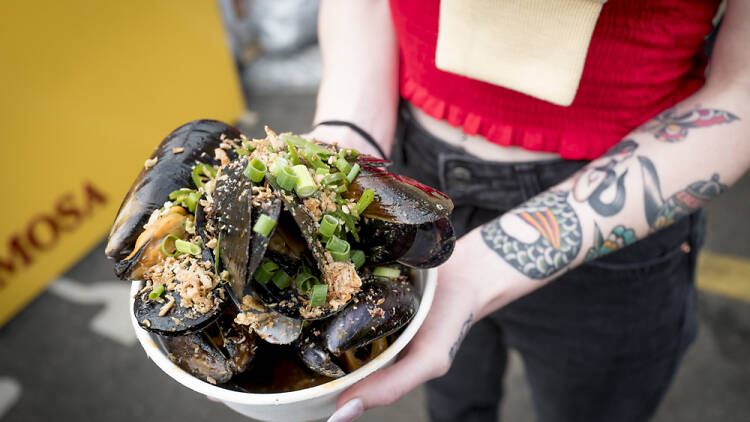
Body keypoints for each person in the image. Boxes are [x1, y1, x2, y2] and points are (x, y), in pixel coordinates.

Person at [307, 1, 750, 421]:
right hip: (403, 183)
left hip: (617, 203)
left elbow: (740, 91)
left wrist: (482, 270)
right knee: (453, 402)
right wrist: (347, 142)